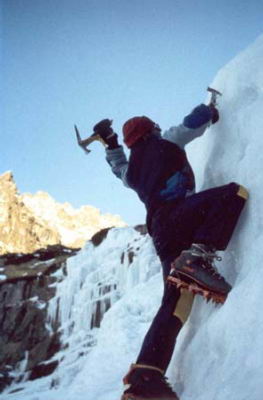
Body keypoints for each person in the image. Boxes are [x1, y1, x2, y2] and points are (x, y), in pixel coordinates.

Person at [87, 103, 248, 400]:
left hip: (161, 235)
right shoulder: (166, 141)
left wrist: (110, 142)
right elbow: (192, 124)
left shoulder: (131, 172)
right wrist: (210, 110)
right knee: (234, 193)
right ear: (152, 131)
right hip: (181, 217)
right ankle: (197, 257)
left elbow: (117, 166)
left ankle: (145, 376)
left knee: (176, 299)